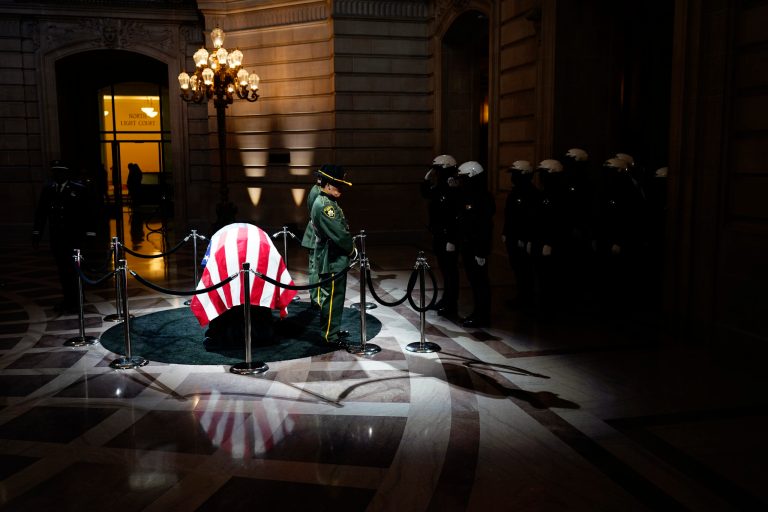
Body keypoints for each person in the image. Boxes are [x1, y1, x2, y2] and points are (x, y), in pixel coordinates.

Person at [32, 160, 98, 313]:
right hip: (57, 237)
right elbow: (41, 213)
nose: (57, 174)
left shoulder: (79, 189)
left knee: (75, 269)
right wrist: (37, 233)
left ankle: (78, 298)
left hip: (75, 237)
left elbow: (88, 213)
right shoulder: (49, 189)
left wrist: (90, 234)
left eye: (60, 171)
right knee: (62, 270)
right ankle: (68, 299)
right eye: (55, 171)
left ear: (66, 173)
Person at [311, 164, 355, 345]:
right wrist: (352, 250)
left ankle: (332, 330)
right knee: (333, 298)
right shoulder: (325, 206)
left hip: (333, 257)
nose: (341, 189)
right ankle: (330, 335)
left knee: (336, 297)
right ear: (328, 185)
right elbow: (340, 234)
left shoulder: (327, 202)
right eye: (338, 185)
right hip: (332, 258)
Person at [455, 161, 495, 328]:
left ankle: (482, 315)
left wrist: (481, 251)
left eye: (464, 178)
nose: (462, 182)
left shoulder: (483, 198)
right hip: (468, 245)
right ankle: (478, 312)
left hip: (477, 247)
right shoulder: (468, 196)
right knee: (474, 281)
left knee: (480, 283)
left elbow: (485, 227)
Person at [420, 154, 460, 317]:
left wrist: (452, 239)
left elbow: (456, 217)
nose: (435, 173)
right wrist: (426, 180)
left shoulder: (453, 190)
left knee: (451, 271)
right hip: (438, 234)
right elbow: (426, 194)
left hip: (448, 236)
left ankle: (451, 304)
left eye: (437, 170)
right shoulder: (440, 188)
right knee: (445, 270)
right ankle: (446, 299)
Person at [502, 160, 536, 309]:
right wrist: (505, 232)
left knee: (526, 271)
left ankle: (528, 299)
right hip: (513, 237)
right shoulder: (515, 192)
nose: (513, 177)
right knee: (517, 269)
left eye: (515, 174)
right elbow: (509, 216)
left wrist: (527, 239)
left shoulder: (532, 194)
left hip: (523, 239)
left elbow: (532, 220)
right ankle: (522, 296)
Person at [300, 168, 324, 308]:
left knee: (318, 269)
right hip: (314, 235)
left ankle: (317, 297)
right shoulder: (316, 191)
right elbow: (314, 213)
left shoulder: (317, 189)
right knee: (315, 270)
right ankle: (316, 299)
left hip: (317, 234)